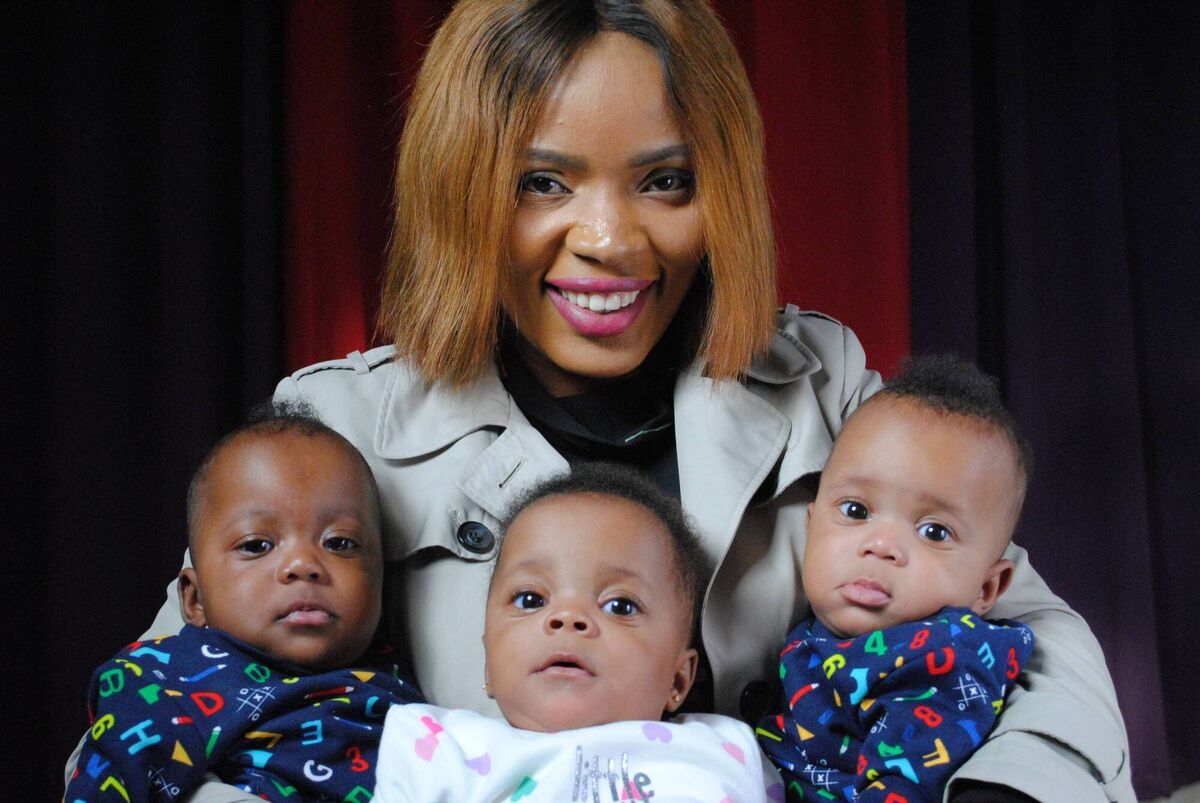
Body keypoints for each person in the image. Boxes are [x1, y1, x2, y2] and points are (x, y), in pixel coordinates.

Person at [121, 1, 1133, 801]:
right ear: (459, 189)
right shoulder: (340, 429)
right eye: (542, 184)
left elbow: (1042, 645)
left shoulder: (826, 387)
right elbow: (146, 727)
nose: (609, 240)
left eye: (666, 180)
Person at [64, 406, 422, 801]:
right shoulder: (164, 681)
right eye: (257, 546)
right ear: (195, 599)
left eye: (339, 543)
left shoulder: (399, 677)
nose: (303, 565)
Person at [374, 463, 783, 800]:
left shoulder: (723, 749)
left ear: (678, 680)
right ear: (488, 667)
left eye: (619, 606)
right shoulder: (440, 749)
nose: (568, 618)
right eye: (531, 600)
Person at [757, 356, 1036, 802]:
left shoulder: (938, 663)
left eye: (934, 532)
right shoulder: (820, 629)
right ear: (810, 526)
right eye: (855, 511)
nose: (881, 546)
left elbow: (902, 787)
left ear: (987, 588)